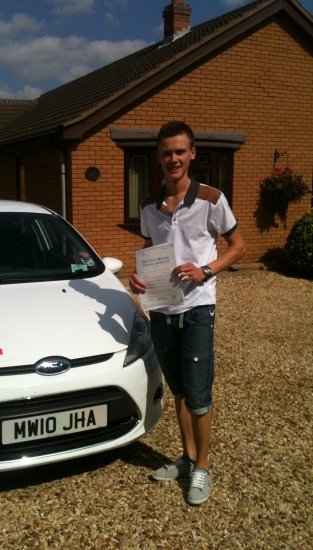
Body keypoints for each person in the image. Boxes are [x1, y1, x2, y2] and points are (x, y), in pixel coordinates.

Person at [129, 121, 246, 506]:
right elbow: (151, 252)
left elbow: (238, 246)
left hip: (197, 308)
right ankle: (186, 458)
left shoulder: (212, 199)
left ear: (192, 154)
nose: (173, 159)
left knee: (197, 395)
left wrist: (206, 270)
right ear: (158, 157)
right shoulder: (149, 206)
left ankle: (203, 467)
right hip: (162, 309)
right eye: (166, 153)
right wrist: (139, 279)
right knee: (178, 391)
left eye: (180, 151)